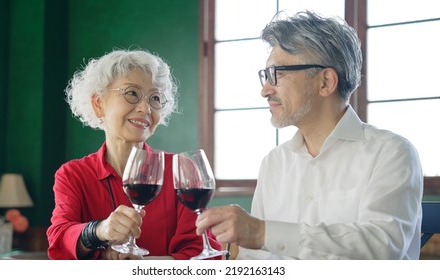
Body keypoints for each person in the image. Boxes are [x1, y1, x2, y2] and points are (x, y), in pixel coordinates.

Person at [196, 10, 423, 259]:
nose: (264, 90)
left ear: (325, 82)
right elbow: (256, 261)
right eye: (265, 75)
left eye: (277, 74)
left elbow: (382, 248)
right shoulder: (273, 163)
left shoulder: (391, 153)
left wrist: (263, 233)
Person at [47, 48, 222, 260]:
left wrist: (142, 267)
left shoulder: (181, 170)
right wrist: (99, 231)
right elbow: (60, 241)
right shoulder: (73, 175)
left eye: (155, 98)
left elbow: (204, 256)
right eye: (132, 93)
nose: (145, 108)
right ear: (98, 104)